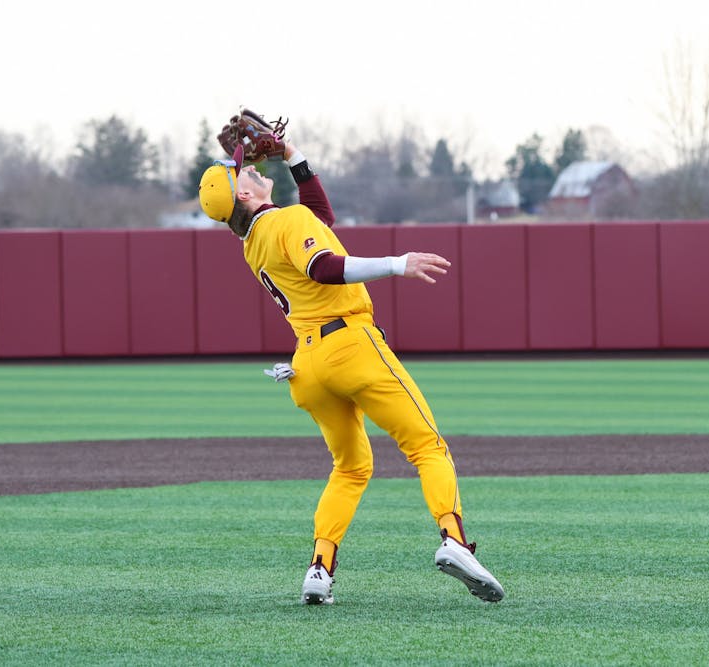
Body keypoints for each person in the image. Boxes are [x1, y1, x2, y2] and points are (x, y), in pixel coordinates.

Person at [198, 139, 504, 605]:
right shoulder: (287, 220)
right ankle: (455, 542)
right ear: (242, 194)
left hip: (307, 367)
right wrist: (397, 264)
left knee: (351, 467)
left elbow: (320, 217)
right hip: (349, 346)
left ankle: (319, 570)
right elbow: (323, 266)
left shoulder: (253, 242)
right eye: (241, 171)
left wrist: (293, 156)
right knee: (427, 446)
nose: (251, 168)